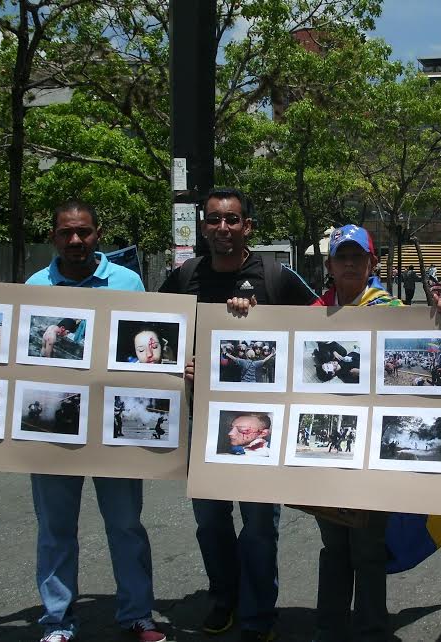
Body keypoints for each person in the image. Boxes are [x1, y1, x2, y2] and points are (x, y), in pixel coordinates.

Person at [0, 201, 165, 642]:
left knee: (125, 526)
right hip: (51, 426)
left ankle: (137, 614)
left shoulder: (128, 282)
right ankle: (58, 620)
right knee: (55, 530)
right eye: (67, 233)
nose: (76, 241)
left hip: (111, 429)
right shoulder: (35, 285)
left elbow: (146, 343)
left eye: (84, 232)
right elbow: (5, 353)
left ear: (97, 233)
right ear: (54, 236)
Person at [159, 187, 318, 642]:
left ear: (248, 226)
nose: (223, 229)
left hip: (261, 427)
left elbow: (326, 321)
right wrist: (180, 362)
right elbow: (157, 330)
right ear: (202, 227)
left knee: (259, 525)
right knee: (210, 523)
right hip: (204, 425)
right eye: (214, 221)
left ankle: (258, 615)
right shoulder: (185, 275)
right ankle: (223, 597)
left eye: (232, 220)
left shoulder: (275, 275)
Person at [309, 223, 441, 642]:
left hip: (373, 451)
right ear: (330, 265)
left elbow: (432, 360)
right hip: (326, 448)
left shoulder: (395, 310)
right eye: (343, 256)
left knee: (368, 546)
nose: (350, 263)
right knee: (334, 545)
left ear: (372, 262)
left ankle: (371, 629)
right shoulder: (310, 312)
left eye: (359, 256)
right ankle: (329, 627)